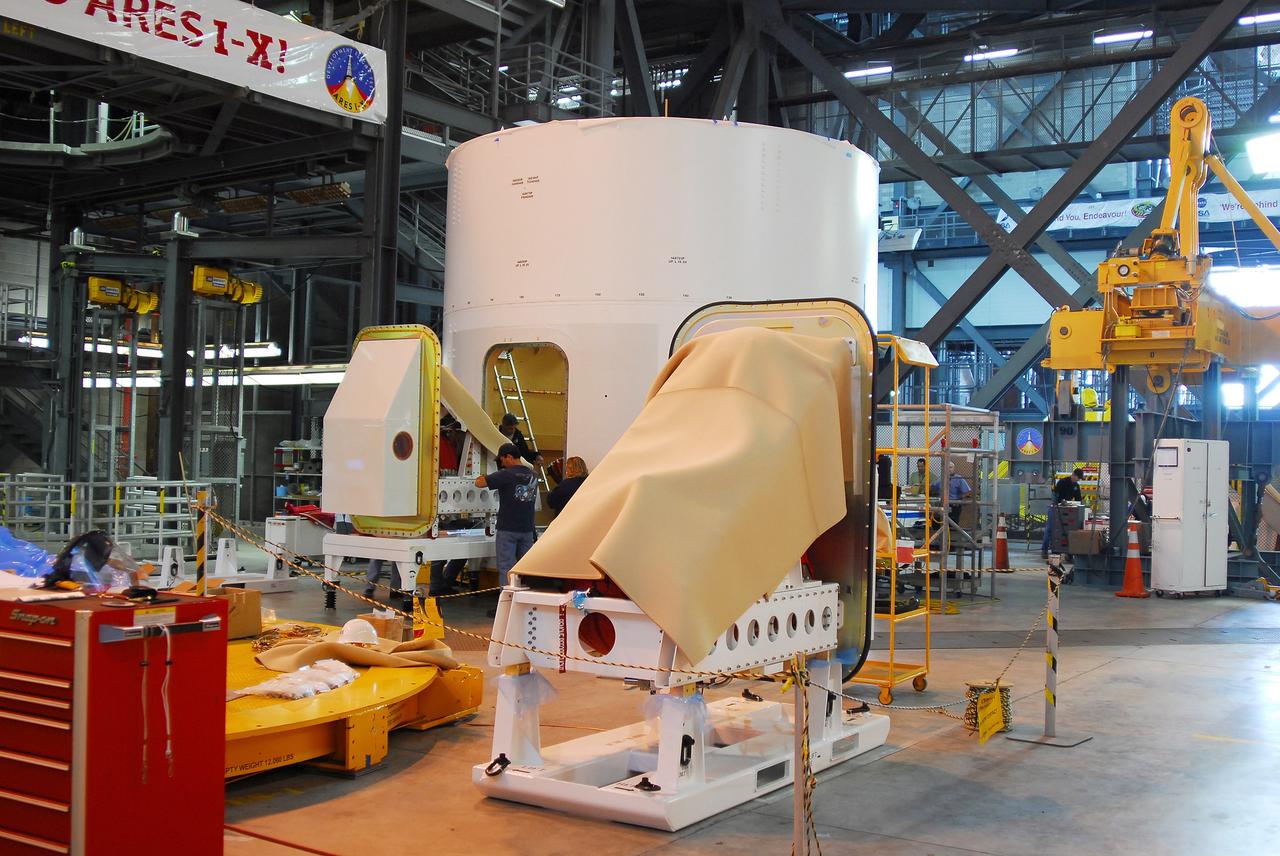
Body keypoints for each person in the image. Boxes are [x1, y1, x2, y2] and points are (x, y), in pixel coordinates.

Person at [476, 443, 539, 587]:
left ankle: (507, 601)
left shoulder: (506, 474)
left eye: (502, 460)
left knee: (506, 568)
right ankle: (524, 601)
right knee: (526, 568)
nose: (502, 463)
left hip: (508, 528)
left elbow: (479, 483)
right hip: (528, 529)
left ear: (509, 457)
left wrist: (483, 476)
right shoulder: (533, 475)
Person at [1042, 468, 1085, 559]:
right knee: (1050, 529)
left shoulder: (1076, 486)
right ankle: (1044, 550)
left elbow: (1078, 500)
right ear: (1073, 475)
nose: (1078, 480)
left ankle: (1068, 552)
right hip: (1055, 508)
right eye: (1078, 477)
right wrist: (1056, 504)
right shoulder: (1062, 482)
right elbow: (1055, 494)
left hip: (1067, 510)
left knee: (1068, 530)